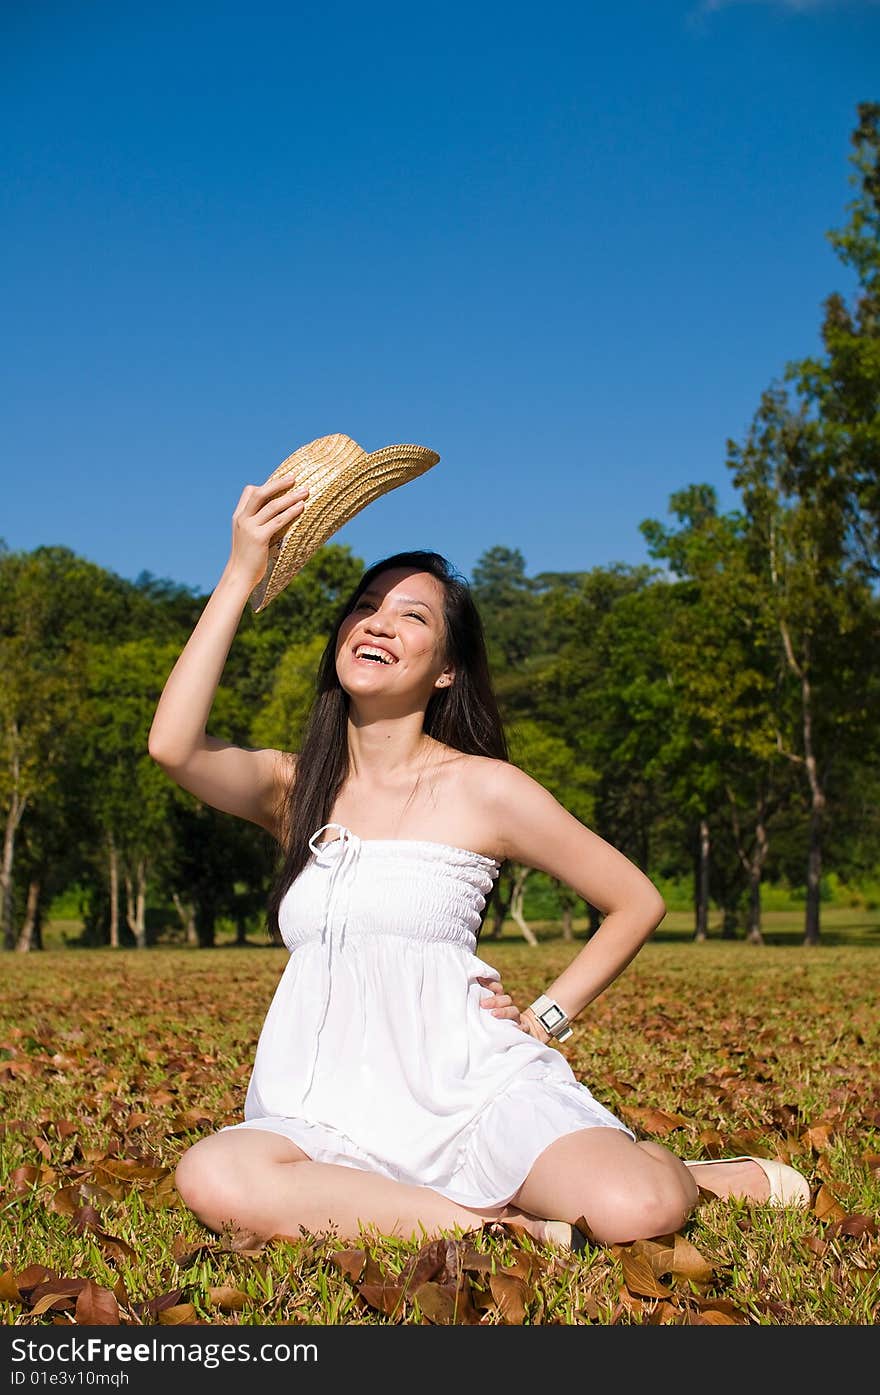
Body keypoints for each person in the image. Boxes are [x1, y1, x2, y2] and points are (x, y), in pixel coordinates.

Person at [148, 469, 810, 1252]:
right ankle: (493, 1228)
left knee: (637, 1206)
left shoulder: (486, 789)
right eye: (365, 607)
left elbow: (636, 900)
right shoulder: (295, 787)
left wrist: (545, 1018)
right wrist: (240, 571)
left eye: (411, 615)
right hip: (324, 1104)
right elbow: (173, 744)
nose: (378, 622)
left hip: (471, 1091)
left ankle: (691, 1171)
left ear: (447, 668)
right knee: (215, 1174)